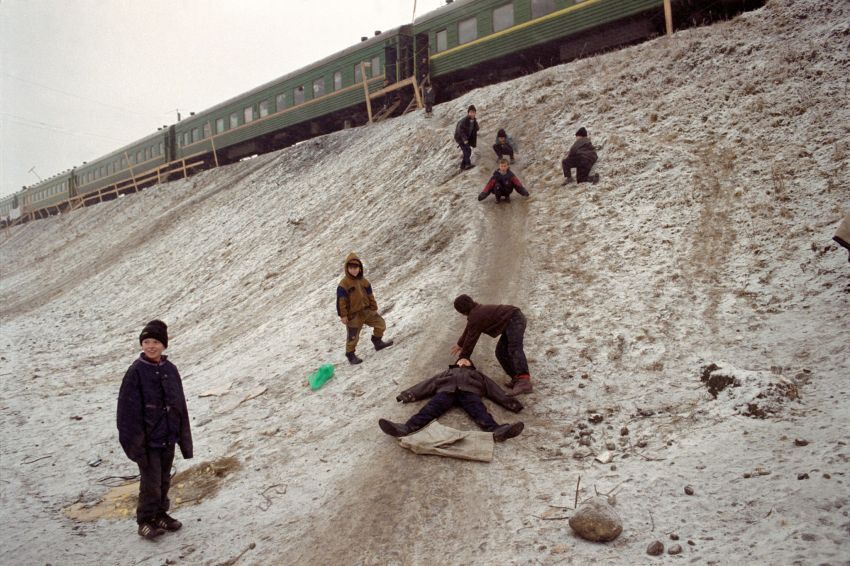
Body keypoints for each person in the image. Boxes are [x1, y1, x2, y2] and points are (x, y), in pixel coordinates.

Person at [117, 320, 193, 540]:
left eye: (156, 342)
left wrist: (182, 438)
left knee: (163, 480)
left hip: (167, 437)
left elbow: (180, 404)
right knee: (150, 483)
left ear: (164, 345)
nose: (151, 346)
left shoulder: (170, 370)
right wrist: (134, 445)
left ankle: (160, 514)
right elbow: (126, 413)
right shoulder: (136, 372)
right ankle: (145, 520)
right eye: (147, 342)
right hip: (147, 441)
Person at [378, 361, 524, 442]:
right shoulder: (447, 373)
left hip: (470, 393)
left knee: (479, 411)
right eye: (460, 360)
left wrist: (511, 403)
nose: (463, 361)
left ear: (470, 364)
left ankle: (497, 431)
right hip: (446, 392)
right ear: (455, 364)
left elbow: (493, 389)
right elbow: (428, 384)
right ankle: (405, 428)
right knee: (430, 409)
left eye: (466, 360)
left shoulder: (477, 374)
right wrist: (408, 394)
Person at [450, 294, 533, 395]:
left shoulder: (476, 315)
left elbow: (471, 338)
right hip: (512, 321)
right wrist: (460, 344)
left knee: (514, 348)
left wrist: (464, 356)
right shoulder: (475, 313)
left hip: (514, 319)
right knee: (500, 352)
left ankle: (524, 381)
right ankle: (516, 379)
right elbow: (469, 330)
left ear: (461, 310)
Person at [336, 252, 393, 364]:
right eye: (351, 268)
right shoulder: (343, 285)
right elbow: (341, 302)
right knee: (353, 337)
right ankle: (350, 354)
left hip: (367, 311)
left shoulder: (364, 282)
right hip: (353, 316)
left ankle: (377, 341)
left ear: (360, 268)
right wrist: (343, 315)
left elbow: (370, 295)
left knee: (381, 324)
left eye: (356, 267)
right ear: (347, 268)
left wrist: (374, 307)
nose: (354, 270)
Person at [454, 105, 479, 170]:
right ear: (468, 113)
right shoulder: (464, 121)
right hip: (460, 138)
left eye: (473, 112)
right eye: (470, 112)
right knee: (467, 150)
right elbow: (461, 131)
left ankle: (463, 165)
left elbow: (476, 129)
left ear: (475, 113)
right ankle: (467, 164)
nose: (472, 114)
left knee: (468, 151)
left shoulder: (474, 121)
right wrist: (464, 139)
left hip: (466, 138)